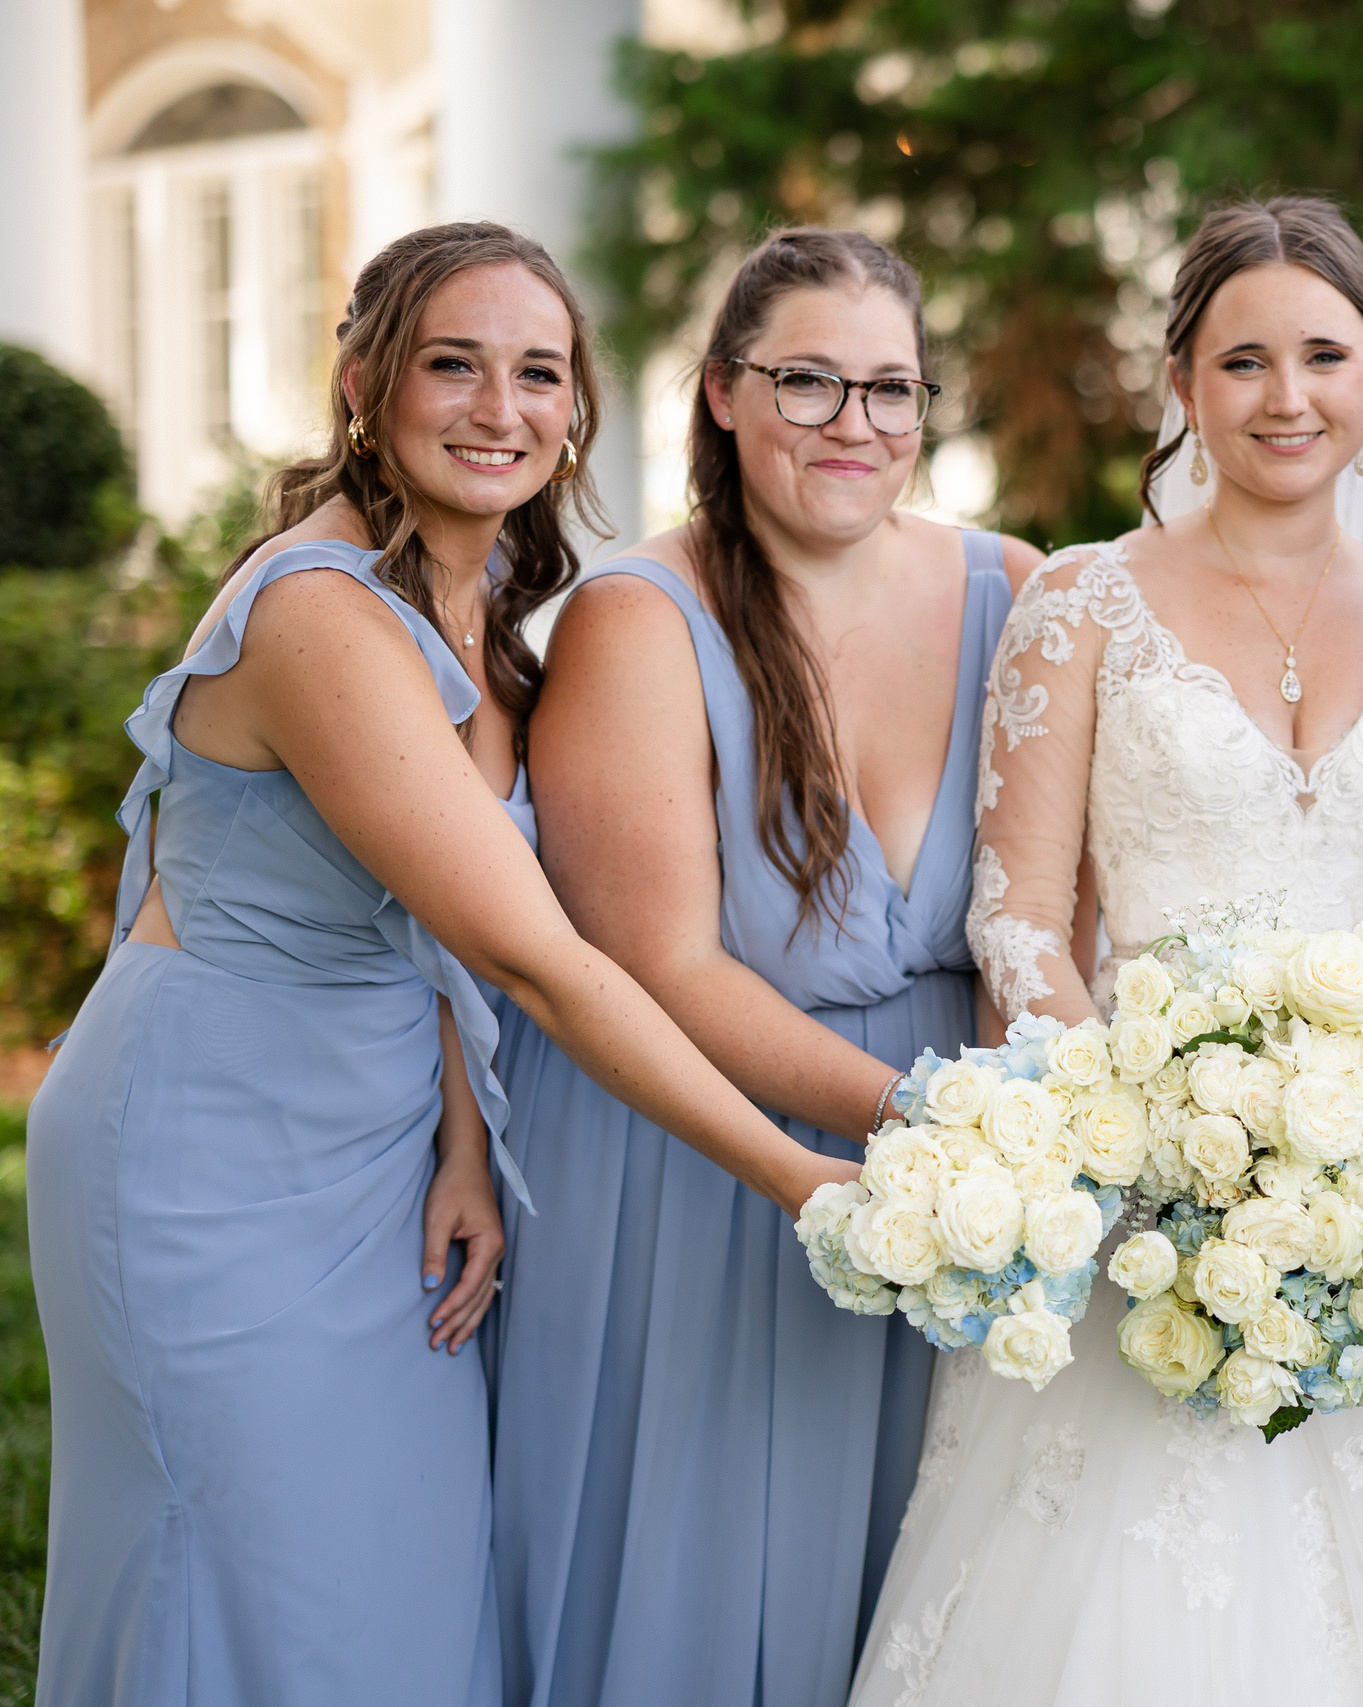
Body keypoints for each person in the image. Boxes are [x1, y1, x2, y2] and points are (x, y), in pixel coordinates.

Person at [848, 197, 1363, 1707]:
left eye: (1321, 356)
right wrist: (1135, 1120)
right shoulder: (1080, 601)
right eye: (1242, 361)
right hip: (1142, 1197)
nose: (1285, 399)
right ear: (1183, 383)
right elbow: (1020, 914)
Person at [24, 222, 859, 1707]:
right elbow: (533, 956)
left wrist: (467, 1139)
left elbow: (431, 916)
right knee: (239, 1582)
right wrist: (804, 1178)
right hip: (209, 1159)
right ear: (363, 381)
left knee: (399, 1591)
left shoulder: (474, 604)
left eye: (540, 374)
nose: (501, 407)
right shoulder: (319, 617)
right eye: (452, 365)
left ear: (578, 411)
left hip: (377, 1147)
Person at [485, 228, 1041, 1707]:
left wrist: (1013, 1140)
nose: (855, 428)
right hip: (701, 1166)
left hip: (964, 1172)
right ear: (724, 394)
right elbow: (659, 962)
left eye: (893, 391)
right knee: (701, 1594)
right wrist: (940, 1131)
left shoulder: (1020, 589)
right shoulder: (637, 617)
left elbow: (1052, 917)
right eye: (809, 385)